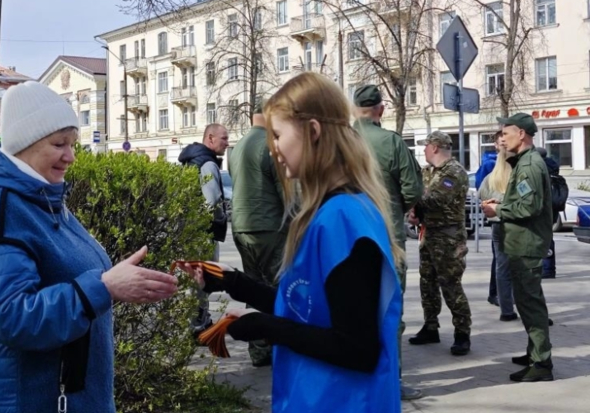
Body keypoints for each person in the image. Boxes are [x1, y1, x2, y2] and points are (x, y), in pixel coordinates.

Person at [181, 72, 403, 412]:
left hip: (341, 402)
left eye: (278, 135)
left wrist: (267, 327)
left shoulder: (342, 219)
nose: (273, 148)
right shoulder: (335, 211)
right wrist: (233, 283)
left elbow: (357, 349)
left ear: (313, 132)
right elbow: (309, 310)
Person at [0, 81, 179, 413]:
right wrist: (104, 288)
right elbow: (12, 317)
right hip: (24, 401)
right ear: (24, 143)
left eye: (73, 143)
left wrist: (112, 285)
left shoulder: (41, 197)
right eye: (59, 143)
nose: (71, 156)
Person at [352, 84, 423, 401]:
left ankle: (355, 377)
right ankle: (390, 381)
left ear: (356, 110)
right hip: (388, 234)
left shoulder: (341, 141)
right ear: (380, 109)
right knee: (389, 309)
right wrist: (398, 206)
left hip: (348, 234)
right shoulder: (392, 142)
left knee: (352, 306)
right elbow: (412, 189)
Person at [481, 112, 554, 382]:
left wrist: (497, 209)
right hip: (521, 242)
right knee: (526, 302)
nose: (502, 138)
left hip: (527, 244)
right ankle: (535, 352)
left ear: (521, 134)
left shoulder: (530, 165)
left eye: (506, 133)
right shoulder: (523, 161)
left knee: (531, 304)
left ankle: (542, 363)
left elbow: (528, 206)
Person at [227, 100, 287, 368]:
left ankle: (259, 351)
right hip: (269, 226)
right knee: (276, 289)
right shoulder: (270, 145)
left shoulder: (237, 146)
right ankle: (279, 348)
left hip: (241, 225)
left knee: (253, 289)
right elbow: (284, 189)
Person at [408, 131, 472, 356]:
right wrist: (414, 212)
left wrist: (414, 198)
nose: (423, 150)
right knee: (427, 282)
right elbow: (421, 198)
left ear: (435, 147)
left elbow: (436, 198)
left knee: (451, 284)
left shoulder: (453, 172)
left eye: (425, 146)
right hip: (428, 234)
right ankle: (430, 326)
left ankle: (462, 333)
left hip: (448, 237)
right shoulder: (427, 172)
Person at [178, 124, 230, 338]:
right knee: (203, 278)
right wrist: (220, 219)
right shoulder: (207, 164)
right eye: (224, 138)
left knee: (193, 278)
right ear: (210, 138)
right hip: (203, 232)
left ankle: (195, 321)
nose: (227, 143)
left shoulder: (189, 161)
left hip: (189, 229)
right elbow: (212, 202)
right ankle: (199, 325)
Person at [478, 139, 518, 321]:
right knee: (521, 267)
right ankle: (522, 304)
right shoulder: (518, 176)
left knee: (502, 267)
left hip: (497, 225)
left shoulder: (491, 178)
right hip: (516, 225)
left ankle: (506, 309)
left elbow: (481, 197)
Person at [477, 133, 501, 307]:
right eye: (502, 142)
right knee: (499, 258)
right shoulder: (490, 164)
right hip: (497, 217)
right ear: (496, 144)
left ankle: (503, 293)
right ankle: (495, 293)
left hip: (507, 215)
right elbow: (481, 187)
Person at [536, 146, 561, 279]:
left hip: (542, 208)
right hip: (553, 208)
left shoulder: (539, 167)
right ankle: (549, 268)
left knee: (542, 239)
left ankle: (546, 269)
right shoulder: (553, 168)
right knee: (548, 238)